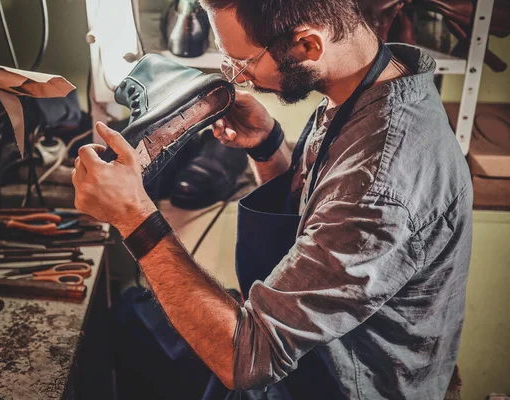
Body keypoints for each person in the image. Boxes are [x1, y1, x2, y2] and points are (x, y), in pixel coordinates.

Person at [71, 0, 473, 398]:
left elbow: (246, 357)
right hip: (316, 353)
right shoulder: (368, 87)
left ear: (307, 46)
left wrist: (134, 217)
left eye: (242, 63)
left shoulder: (380, 181)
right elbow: (319, 225)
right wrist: (268, 146)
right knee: (133, 318)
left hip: (339, 385)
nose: (238, 79)